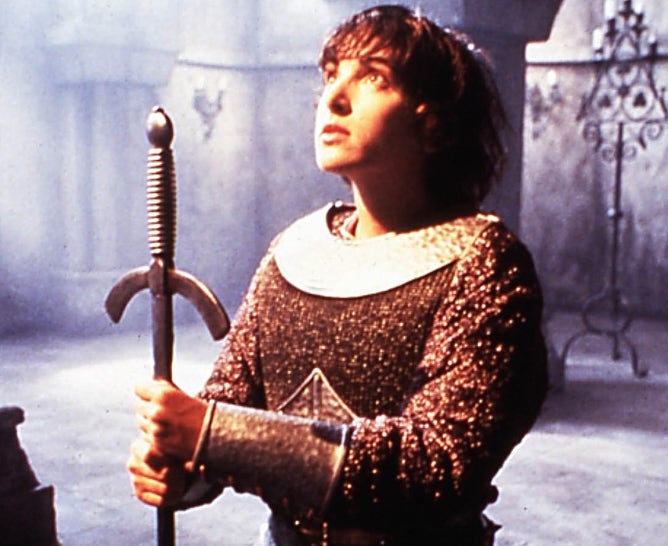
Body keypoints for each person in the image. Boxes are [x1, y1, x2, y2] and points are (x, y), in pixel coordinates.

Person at [128, 5, 548, 546]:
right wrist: (185, 468)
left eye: (373, 77)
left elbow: (438, 460)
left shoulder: (483, 261)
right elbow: (231, 402)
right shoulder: (295, 250)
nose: (333, 98)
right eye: (331, 75)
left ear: (435, 124)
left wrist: (210, 434)